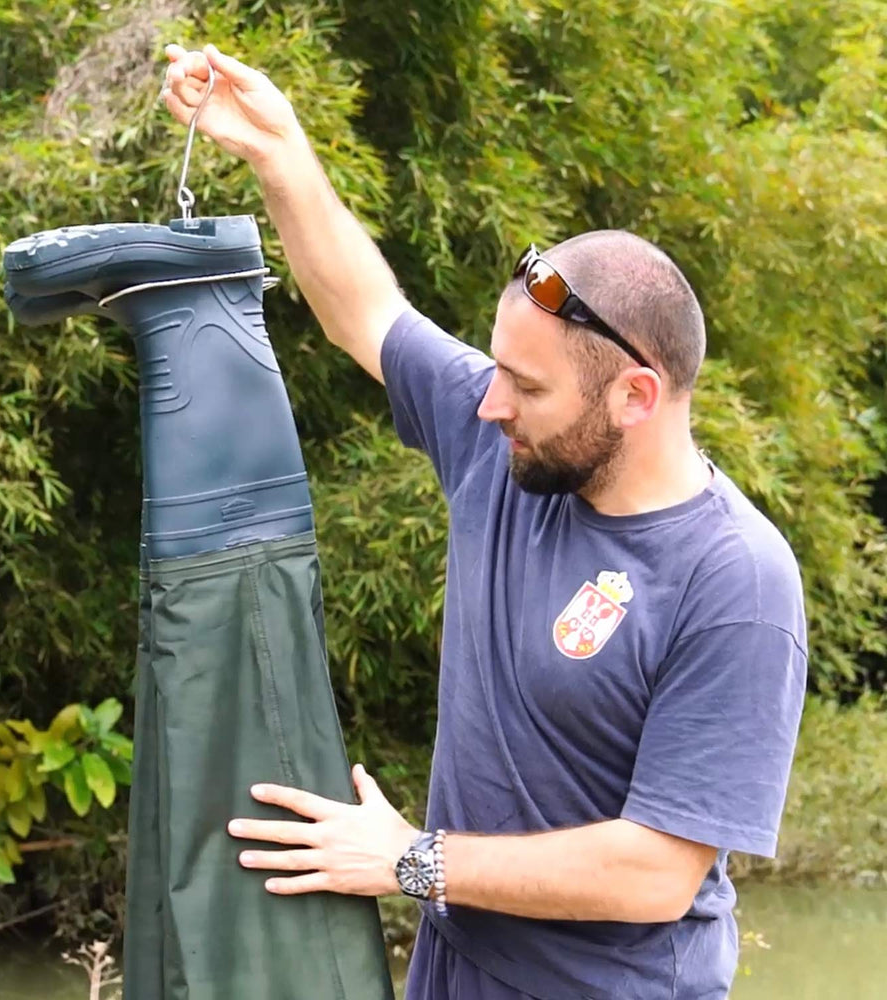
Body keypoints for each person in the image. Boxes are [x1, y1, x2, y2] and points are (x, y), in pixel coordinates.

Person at [161, 44, 807, 1000]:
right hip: (456, 971)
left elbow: (654, 873)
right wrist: (279, 152)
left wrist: (412, 861)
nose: (490, 401)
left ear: (635, 397)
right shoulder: (502, 450)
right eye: (497, 368)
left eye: (526, 384)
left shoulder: (736, 581)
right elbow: (365, 311)